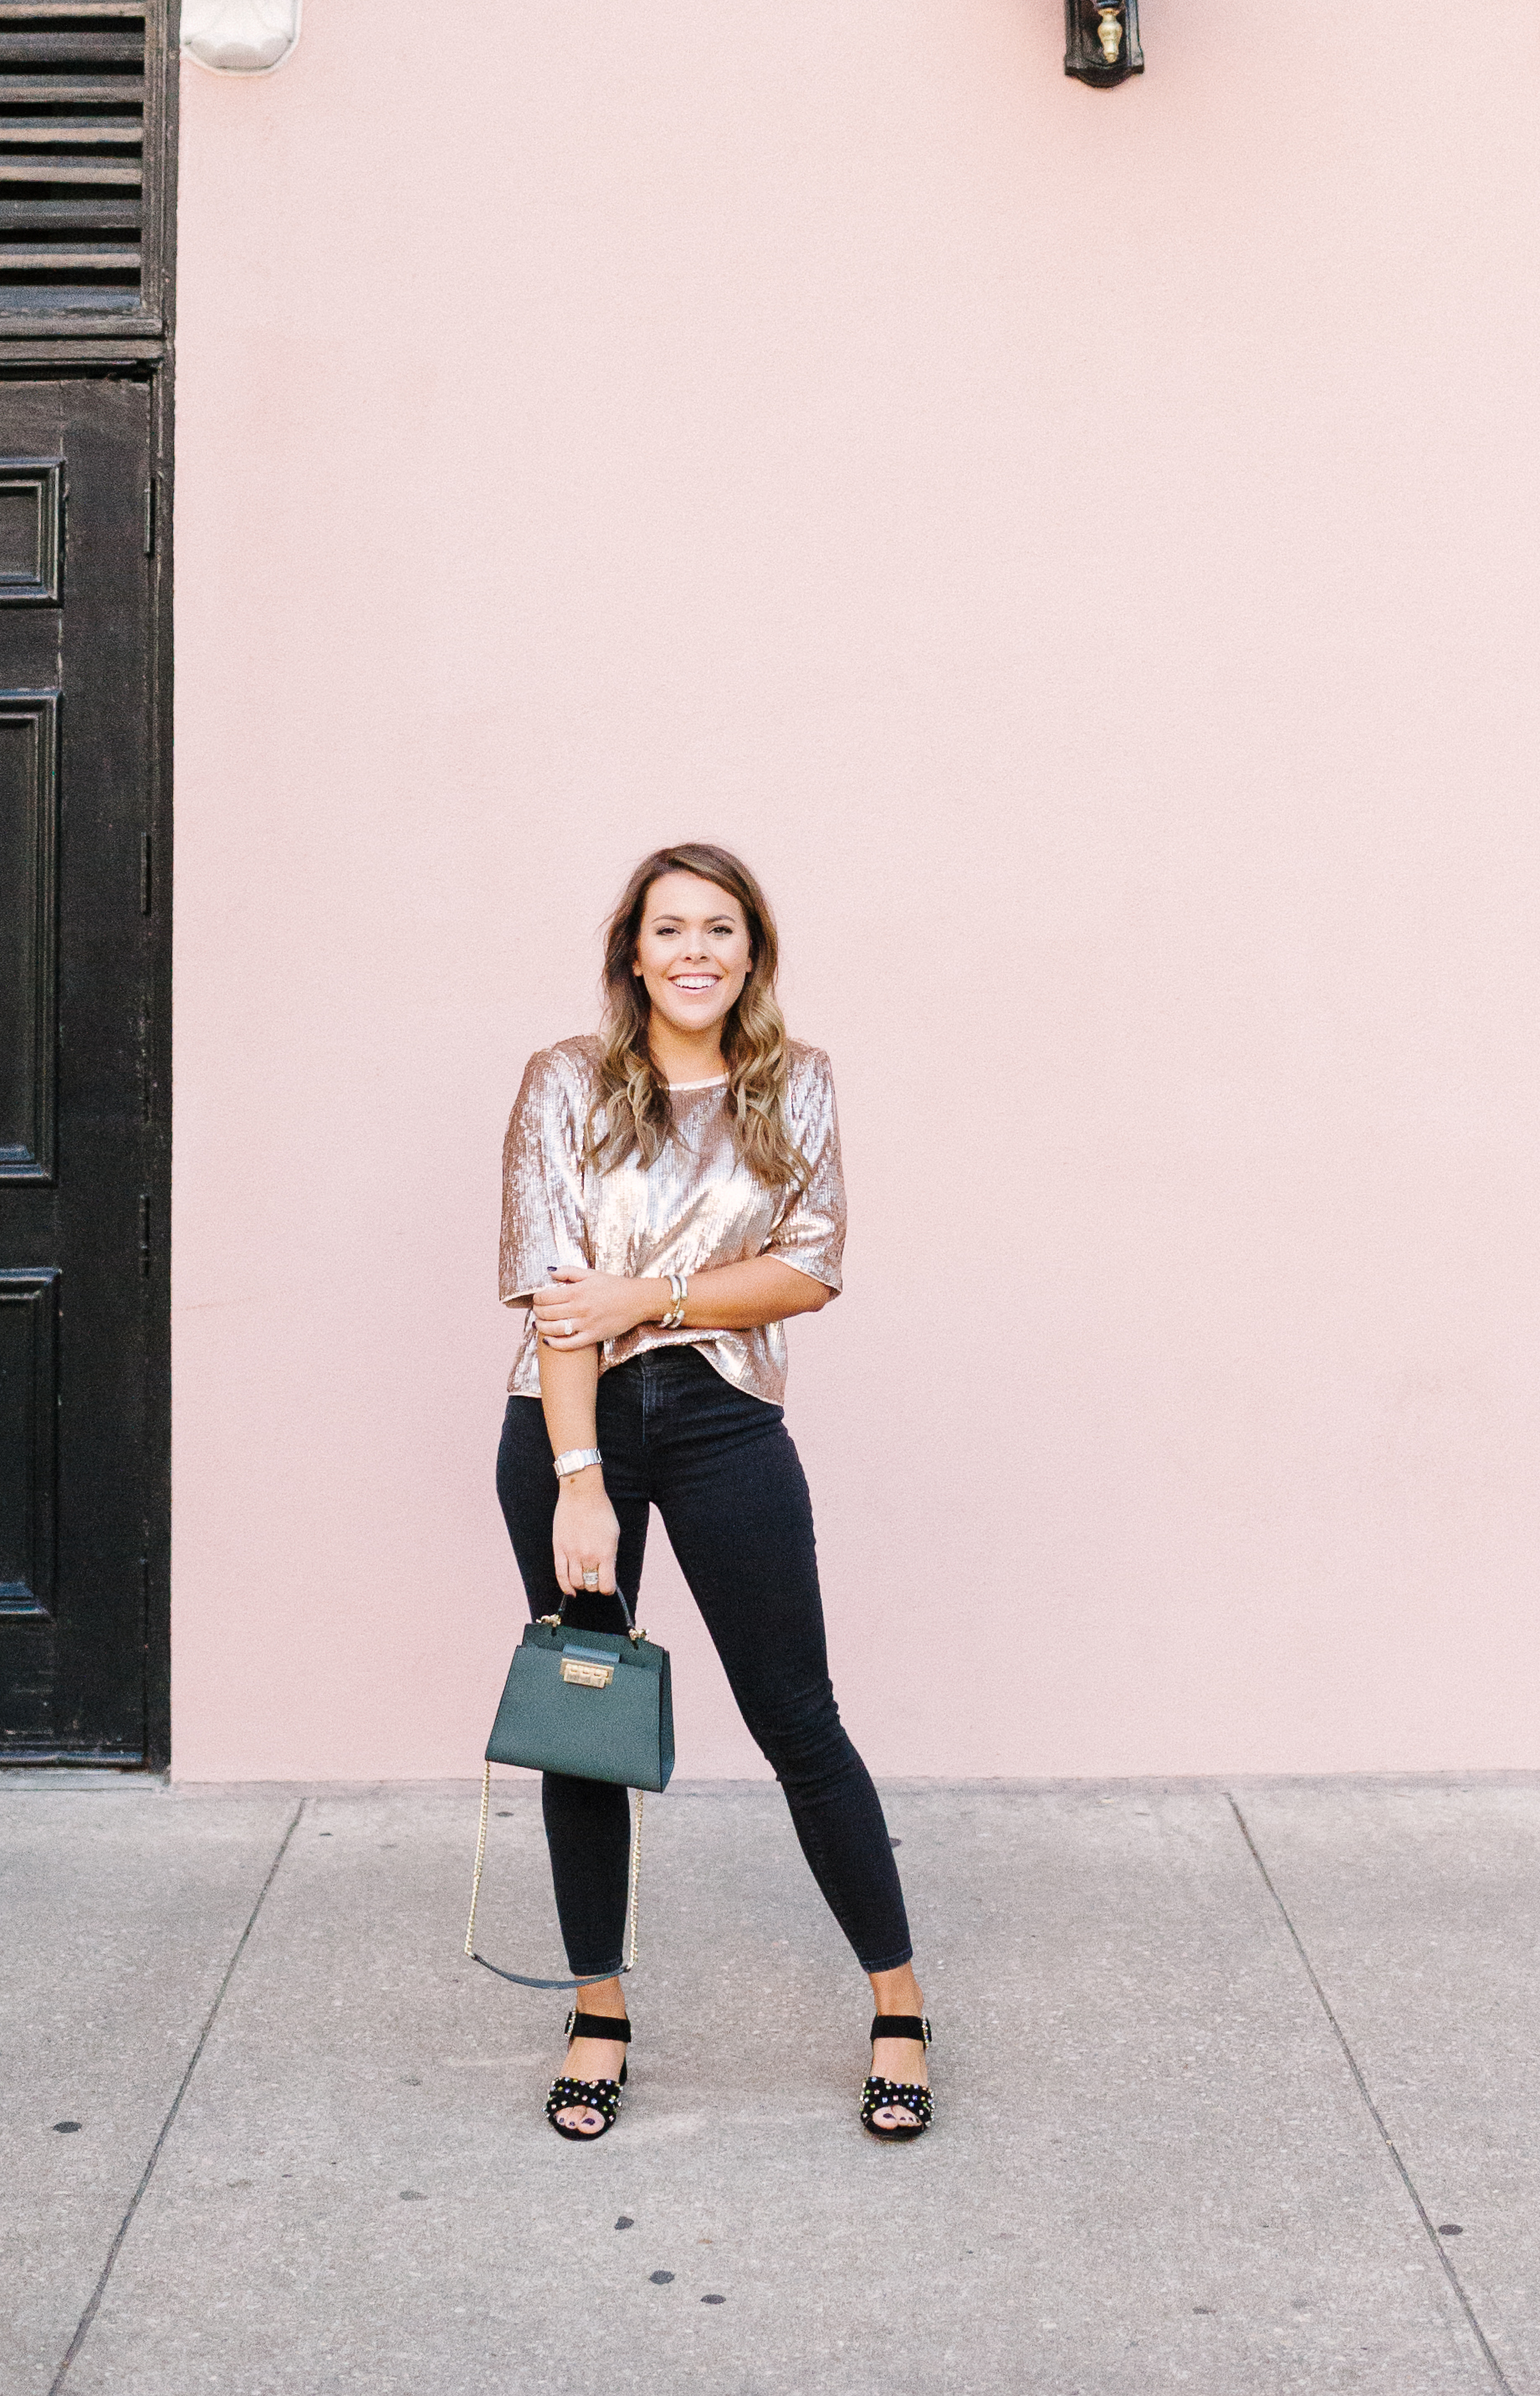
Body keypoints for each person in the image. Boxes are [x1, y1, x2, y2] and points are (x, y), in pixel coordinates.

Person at [494, 841, 933, 2143]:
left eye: (721, 931)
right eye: (670, 929)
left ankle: (899, 2004)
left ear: (753, 954)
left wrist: (659, 1299)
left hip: (725, 1417)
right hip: (571, 1423)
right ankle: (598, 2011)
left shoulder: (796, 1086)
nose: (695, 952)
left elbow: (809, 1268)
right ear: (633, 949)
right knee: (588, 1726)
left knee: (798, 1715)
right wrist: (581, 1482)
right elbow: (552, 1293)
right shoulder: (564, 1082)